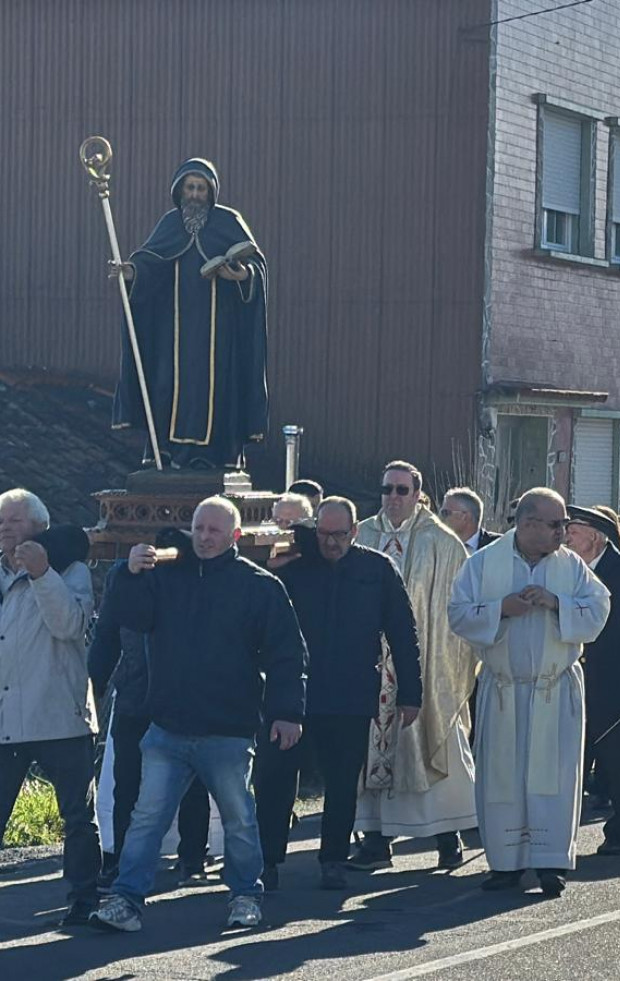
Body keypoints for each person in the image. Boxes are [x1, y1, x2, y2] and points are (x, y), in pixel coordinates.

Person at [90, 497, 306, 933]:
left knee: (239, 819)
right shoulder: (165, 577)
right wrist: (126, 571)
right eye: (199, 529)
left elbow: (288, 654)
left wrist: (287, 712)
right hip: (168, 725)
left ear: (235, 537)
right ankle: (127, 900)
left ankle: (246, 896)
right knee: (146, 819)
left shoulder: (260, 586)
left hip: (228, 729)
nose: (205, 538)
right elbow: (130, 615)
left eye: (214, 531)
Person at [255, 497, 422, 891]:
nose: (331, 543)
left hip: (349, 693)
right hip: (293, 694)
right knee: (276, 778)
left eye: (340, 535)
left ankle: (333, 857)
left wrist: (410, 693)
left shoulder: (377, 569)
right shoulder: (292, 567)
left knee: (343, 781)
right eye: (325, 534)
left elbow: (403, 632)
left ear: (355, 531)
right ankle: (268, 859)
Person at [449, 489, 610, 896]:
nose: (563, 532)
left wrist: (557, 603)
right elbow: (458, 613)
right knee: (502, 777)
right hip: (504, 688)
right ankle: (505, 862)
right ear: (527, 524)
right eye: (556, 525)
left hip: (553, 690)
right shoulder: (484, 563)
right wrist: (501, 609)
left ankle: (551, 862)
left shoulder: (571, 566)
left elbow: (599, 609)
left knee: (554, 776)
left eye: (564, 525)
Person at [350, 461, 478, 871]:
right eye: (387, 489)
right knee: (366, 746)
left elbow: (454, 614)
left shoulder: (442, 543)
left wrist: (437, 670)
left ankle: (447, 833)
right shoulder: (363, 534)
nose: (393, 497)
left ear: (418, 494)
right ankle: (375, 838)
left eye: (402, 490)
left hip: (424, 664)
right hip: (369, 668)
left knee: (435, 743)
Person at [109, 158, 268, 470]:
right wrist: (129, 272)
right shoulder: (170, 224)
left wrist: (241, 276)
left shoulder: (228, 221)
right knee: (168, 384)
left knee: (218, 390)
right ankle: (168, 452)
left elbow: (256, 268)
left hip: (219, 332)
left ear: (211, 193)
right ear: (180, 191)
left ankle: (217, 454)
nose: (195, 195)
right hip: (175, 332)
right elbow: (150, 265)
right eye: (190, 188)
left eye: (201, 189)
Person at [0, 490, 101, 926]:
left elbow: (69, 626)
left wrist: (42, 574)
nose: (5, 527)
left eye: (14, 520)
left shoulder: (72, 571)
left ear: (41, 528)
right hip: (6, 720)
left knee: (78, 818)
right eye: (1, 520)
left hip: (61, 715)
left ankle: (83, 900)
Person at [87, 551, 211, 891]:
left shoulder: (192, 573)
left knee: (192, 779)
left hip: (183, 696)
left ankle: (192, 857)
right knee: (126, 783)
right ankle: (121, 861)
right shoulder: (120, 576)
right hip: (134, 694)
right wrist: (93, 682)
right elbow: (107, 633)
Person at [565, 506, 620, 855]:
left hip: (616, 687)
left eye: (573, 529)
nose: (567, 535)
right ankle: (561, 838)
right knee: (573, 766)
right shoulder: (564, 569)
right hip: (572, 684)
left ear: (595, 535)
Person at [439, 487, 500, 553]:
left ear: (465, 517)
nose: (440, 518)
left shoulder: (499, 545)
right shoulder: (437, 546)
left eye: (445, 513)